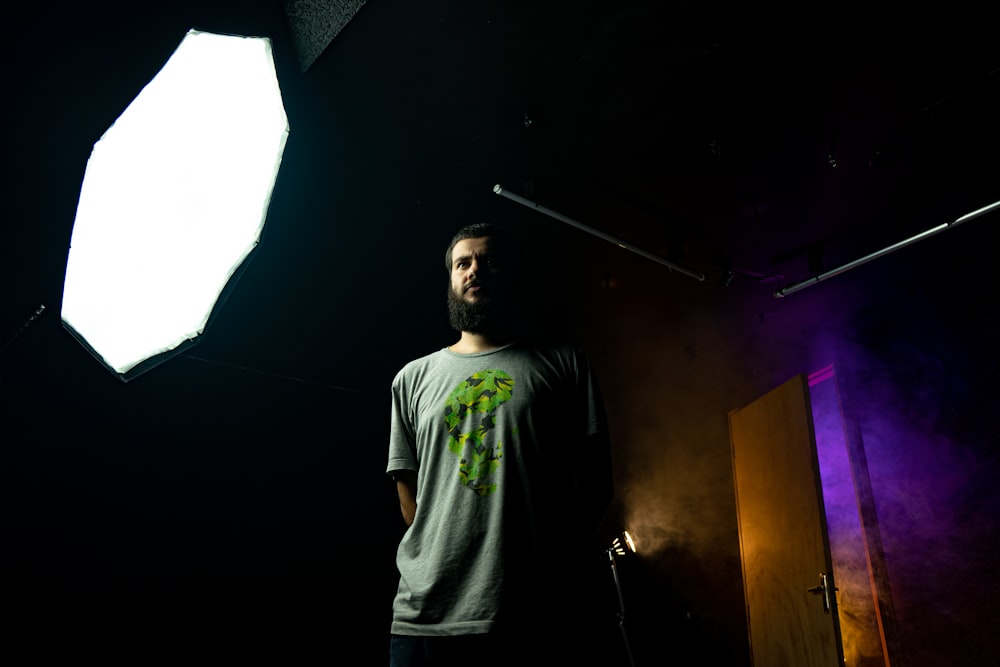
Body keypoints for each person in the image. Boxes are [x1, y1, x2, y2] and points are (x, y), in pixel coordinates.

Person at [386, 222, 615, 666]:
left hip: (535, 616)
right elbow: (407, 494)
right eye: (462, 263)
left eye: (489, 261)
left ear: (510, 275)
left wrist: (549, 559)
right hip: (427, 618)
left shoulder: (565, 364)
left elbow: (596, 482)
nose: (475, 271)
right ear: (451, 279)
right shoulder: (411, 379)